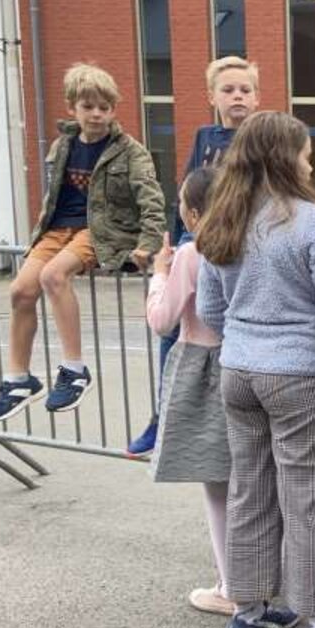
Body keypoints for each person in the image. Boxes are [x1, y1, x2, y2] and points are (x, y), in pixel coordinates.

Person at [196, 111, 315, 628]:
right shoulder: (314, 222)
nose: (310, 163)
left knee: (249, 491)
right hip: (301, 373)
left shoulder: (223, 218)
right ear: (286, 159)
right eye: (306, 154)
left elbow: (209, 309)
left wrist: (244, 341)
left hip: (239, 370)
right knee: (305, 497)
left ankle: (247, 611)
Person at [0, 63, 164, 423]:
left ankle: (74, 370)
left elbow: (151, 199)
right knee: (20, 291)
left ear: (113, 110)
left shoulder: (130, 151)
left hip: (101, 230)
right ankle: (19, 380)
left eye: (104, 107)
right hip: (57, 230)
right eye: (88, 106)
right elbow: (53, 197)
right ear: (72, 108)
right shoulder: (62, 146)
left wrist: (148, 242)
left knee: (54, 276)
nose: (96, 114)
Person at [128, 56, 260, 456]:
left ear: (257, 98)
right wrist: (169, 244)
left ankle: (235, 419)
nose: (237, 96)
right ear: (211, 97)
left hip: (237, 244)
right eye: (228, 89)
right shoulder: (205, 136)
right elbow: (188, 193)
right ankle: (162, 413)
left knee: (224, 330)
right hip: (196, 242)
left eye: (245, 90)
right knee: (174, 328)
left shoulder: (260, 139)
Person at [144, 166, 235, 616]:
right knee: (254, 483)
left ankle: (230, 585)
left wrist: (158, 275)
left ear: (195, 213)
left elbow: (162, 320)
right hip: (246, 362)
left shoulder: (190, 253)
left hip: (202, 366)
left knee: (216, 486)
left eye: (181, 201)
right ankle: (262, 572)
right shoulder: (248, 244)